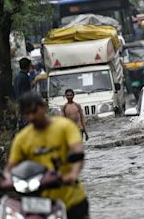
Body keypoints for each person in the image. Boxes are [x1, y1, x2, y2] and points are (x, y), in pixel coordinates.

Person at [6, 91, 89, 219]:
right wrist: (4, 180)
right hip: (39, 205)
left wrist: (73, 174)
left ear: (44, 107)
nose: (31, 117)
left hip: (72, 199)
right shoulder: (22, 139)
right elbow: (10, 168)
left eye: (34, 111)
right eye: (27, 114)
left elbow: (77, 151)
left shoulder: (65, 127)